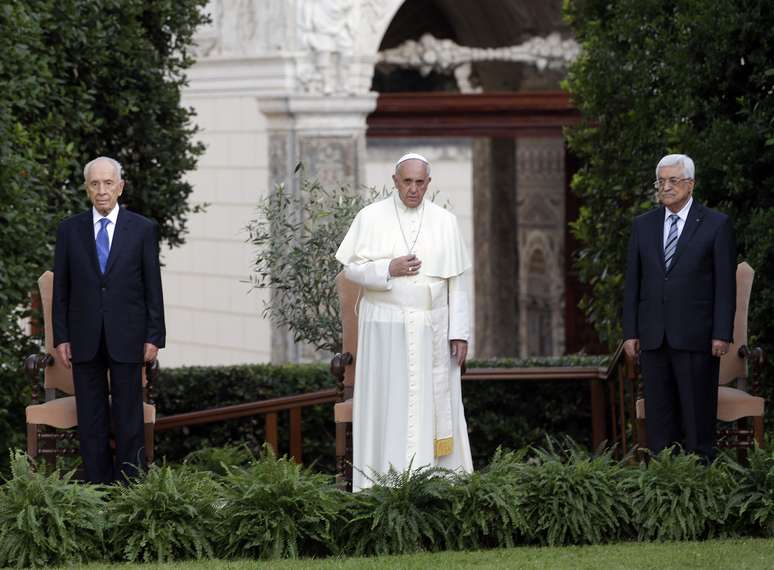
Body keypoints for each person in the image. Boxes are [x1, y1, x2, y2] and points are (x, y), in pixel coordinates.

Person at [336, 152, 473, 491]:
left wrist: (460, 332)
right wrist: (387, 268)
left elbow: (456, 282)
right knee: (390, 405)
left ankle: (441, 484)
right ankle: (384, 484)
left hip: (433, 329)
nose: (413, 189)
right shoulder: (370, 217)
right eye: (407, 182)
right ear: (395, 181)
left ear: (428, 183)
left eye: (420, 182)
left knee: (433, 407)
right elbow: (350, 268)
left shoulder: (445, 222)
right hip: (385, 330)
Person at [53, 156, 166, 483]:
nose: (102, 190)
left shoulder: (142, 229)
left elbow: (152, 287)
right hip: (83, 337)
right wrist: (62, 336)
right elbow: (62, 287)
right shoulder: (69, 230)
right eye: (94, 184)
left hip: (128, 337)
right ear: (87, 188)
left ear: (120, 187)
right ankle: (97, 491)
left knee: (129, 418)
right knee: (91, 419)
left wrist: (154, 336)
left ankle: (130, 489)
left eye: (108, 183)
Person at [623, 154, 736, 462]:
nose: (666, 187)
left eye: (673, 181)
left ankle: (700, 484)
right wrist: (630, 332)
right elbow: (634, 283)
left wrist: (721, 333)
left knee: (697, 417)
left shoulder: (715, 224)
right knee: (660, 419)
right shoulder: (643, 226)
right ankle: (664, 483)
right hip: (654, 337)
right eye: (661, 181)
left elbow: (725, 285)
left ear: (691, 184)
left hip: (697, 336)